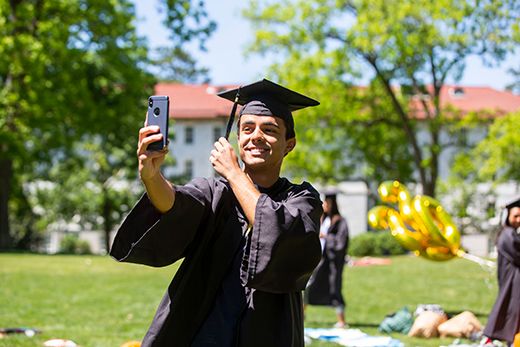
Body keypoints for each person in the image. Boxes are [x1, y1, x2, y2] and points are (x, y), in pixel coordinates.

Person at [110, 79, 323, 347]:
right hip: (205, 332)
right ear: (238, 138)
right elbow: (176, 205)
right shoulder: (215, 192)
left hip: (267, 333)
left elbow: (281, 235)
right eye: (247, 128)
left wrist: (234, 173)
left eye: (269, 130)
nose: (256, 136)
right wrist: (152, 177)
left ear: (288, 144)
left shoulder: (302, 200)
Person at [304, 192, 350, 328]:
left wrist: (326, 237)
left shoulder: (339, 221)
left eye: (327, 202)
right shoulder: (323, 220)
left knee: (334, 289)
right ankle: (301, 315)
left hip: (332, 264)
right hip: (320, 260)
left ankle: (342, 321)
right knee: (308, 286)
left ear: (332, 204)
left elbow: (341, 242)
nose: (324, 205)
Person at [483, 197, 520, 345]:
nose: (519, 219)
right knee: (511, 308)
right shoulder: (508, 235)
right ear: (508, 217)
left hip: (514, 277)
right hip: (511, 278)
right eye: (515, 216)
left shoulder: (512, 233)